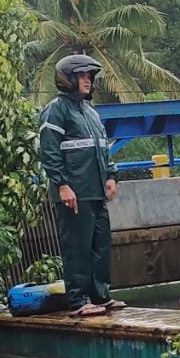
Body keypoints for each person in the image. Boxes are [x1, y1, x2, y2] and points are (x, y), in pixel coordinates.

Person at [38, 54, 126, 318]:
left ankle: (101, 295)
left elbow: (103, 149)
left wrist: (111, 176)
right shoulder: (56, 109)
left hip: (96, 189)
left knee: (100, 244)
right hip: (74, 191)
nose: (87, 79)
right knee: (77, 246)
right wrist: (62, 185)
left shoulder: (90, 112)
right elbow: (49, 151)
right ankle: (78, 300)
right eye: (82, 75)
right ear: (67, 79)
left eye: (90, 75)